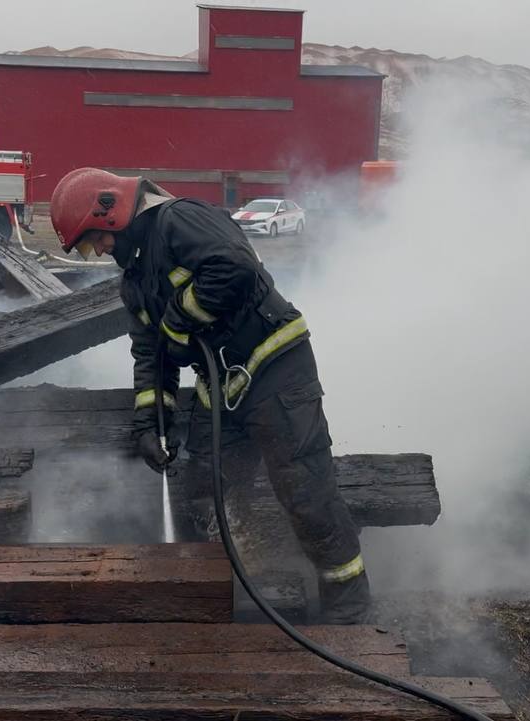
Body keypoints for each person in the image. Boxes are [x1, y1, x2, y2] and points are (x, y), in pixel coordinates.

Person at [48, 167, 370, 624]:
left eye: (93, 239)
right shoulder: (135, 282)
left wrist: (179, 317)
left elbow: (234, 266)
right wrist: (149, 424)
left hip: (275, 369)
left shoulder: (180, 219)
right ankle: (222, 592)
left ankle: (348, 609)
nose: (98, 251)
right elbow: (151, 354)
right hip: (221, 388)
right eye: (85, 248)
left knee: (306, 493)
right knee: (204, 492)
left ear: (111, 212)